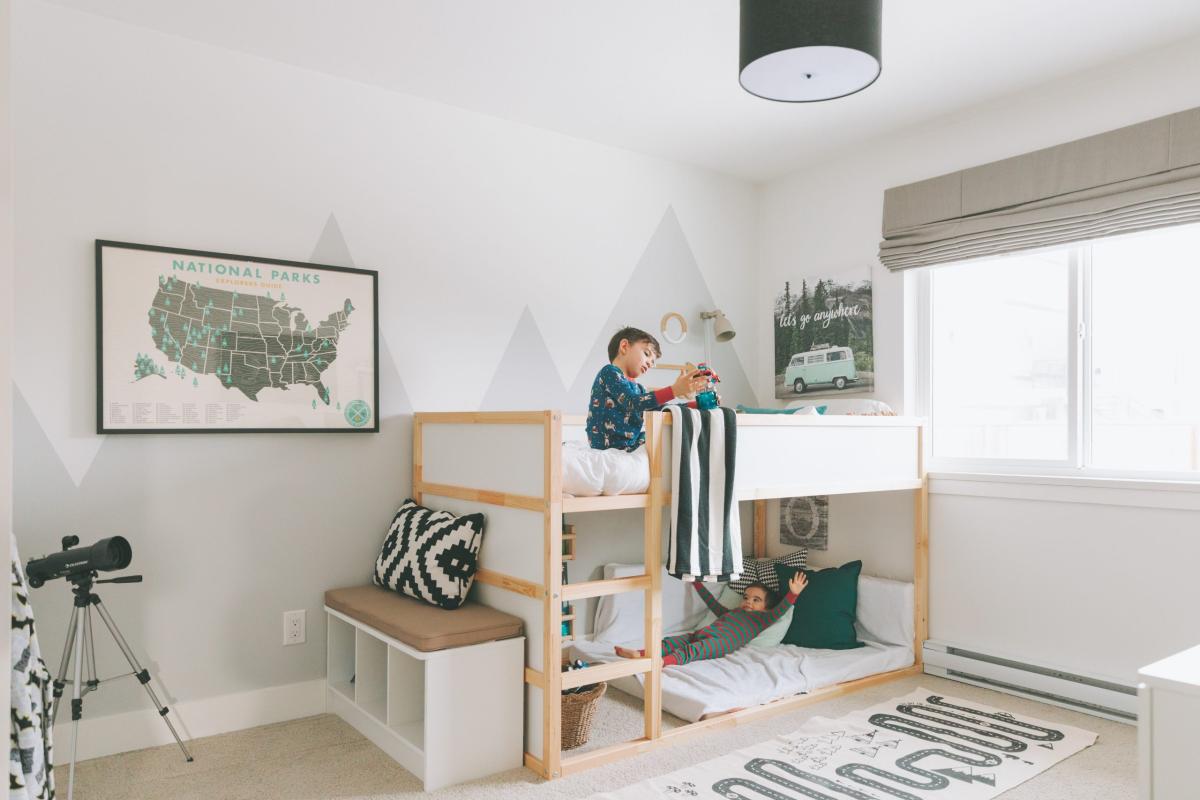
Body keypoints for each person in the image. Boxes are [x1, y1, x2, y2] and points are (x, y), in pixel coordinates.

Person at [614, 570, 808, 666]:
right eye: (746, 597)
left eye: (756, 600)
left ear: (765, 608)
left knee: (692, 651)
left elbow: (781, 610)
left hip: (722, 643)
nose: (748, 601)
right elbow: (712, 604)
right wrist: (697, 584)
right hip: (703, 633)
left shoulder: (762, 619)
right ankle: (640, 653)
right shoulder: (733, 612)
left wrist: (793, 594)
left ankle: (661, 662)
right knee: (673, 641)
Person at [587, 326, 709, 452]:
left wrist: (698, 404)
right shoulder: (609, 372)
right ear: (624, 346)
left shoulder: (638, 389)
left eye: (652, 363)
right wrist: (675, 390)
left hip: (629, 443)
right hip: (606, 445)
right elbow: (632, 402)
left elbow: (662, 409)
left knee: (667, 434)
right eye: (646, 354)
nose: (650, 364)